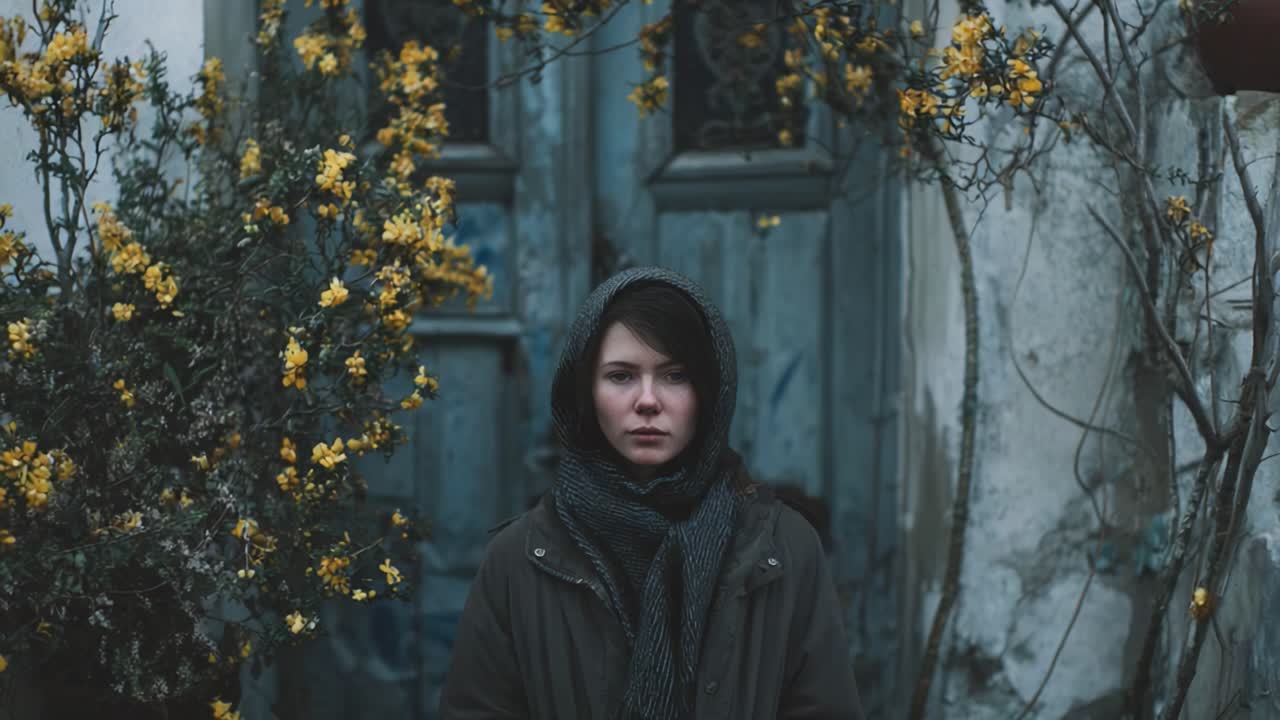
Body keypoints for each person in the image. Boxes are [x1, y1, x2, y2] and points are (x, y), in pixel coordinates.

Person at [439, 267, 865, 719]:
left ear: (709, 391)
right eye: (621, 376)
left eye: (675, 375)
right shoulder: (519, 560)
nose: (647, 400)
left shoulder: (783, 549)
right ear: (586, 392)